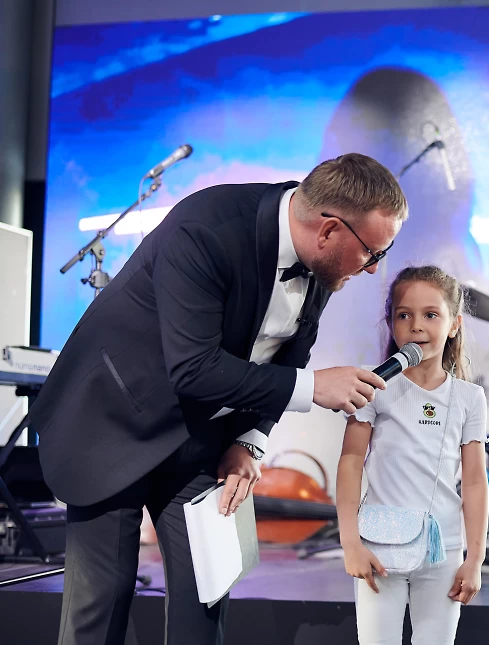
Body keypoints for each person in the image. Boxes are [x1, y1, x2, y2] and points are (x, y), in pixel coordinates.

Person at [30, 153, 408, 645]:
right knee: (100, 610)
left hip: (201, 438)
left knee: (205, 600)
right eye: (373, 253)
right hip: (112, 425)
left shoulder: (323, 262)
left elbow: (290, 351)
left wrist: (250, 441)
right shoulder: (206, 228)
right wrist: (315, 387)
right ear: (330, 230)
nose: (374, 268)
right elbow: (194, 369)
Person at [336, 265, 489, 645]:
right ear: (391, 323)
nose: (416, 326)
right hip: (378, 546)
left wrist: (475, 559)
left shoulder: (469, 398)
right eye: (404, 315)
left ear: (454, 324)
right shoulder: (372, 385)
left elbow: (474, 480)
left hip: (443, 551)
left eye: (431, 315)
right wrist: (351, 543)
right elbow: (351, 462)